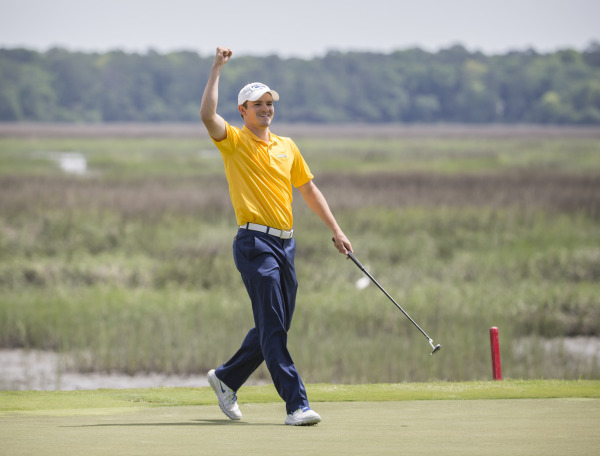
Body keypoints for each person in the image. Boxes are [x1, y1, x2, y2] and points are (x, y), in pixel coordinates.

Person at [200, 46, 352, 426]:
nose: (266, 108)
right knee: (273, 327)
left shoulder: (288, 147)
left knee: (275, 326)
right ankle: (296, 404)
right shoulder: (234, 141)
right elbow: (206, 115)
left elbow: (309, 191)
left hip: (287, 245)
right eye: (257, 104)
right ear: (243, 111)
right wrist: (217, 68)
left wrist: (335, 229)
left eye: (269, 103)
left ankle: (226, 378)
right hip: (255, 245)